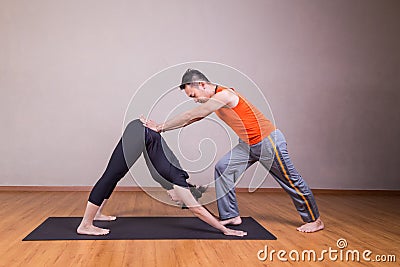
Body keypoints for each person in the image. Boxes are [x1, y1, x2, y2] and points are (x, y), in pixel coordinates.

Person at [142, 69, 324, 233]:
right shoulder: (214, 99)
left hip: (268, 142)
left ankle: (314, 220)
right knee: (223, 168)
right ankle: (231, 215)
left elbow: (192, 114)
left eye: (193, 95)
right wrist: (162, 127)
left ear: (203, 85)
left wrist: (161, 127)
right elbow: (193, 119)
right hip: (247, 145)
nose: (195, 99)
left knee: (290, 181)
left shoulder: (225, 95)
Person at [77, 119, 247, 237]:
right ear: (184, 195)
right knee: (110, 175)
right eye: (179, 201)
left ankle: (97, 213)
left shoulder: (168, 181)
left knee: (116, 175)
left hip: (140, 132)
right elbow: (198, 210)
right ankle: (85, 225)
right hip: (140, 133)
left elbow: (153, 154)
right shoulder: (178, 180)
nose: (174, 200)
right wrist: (224, 229)